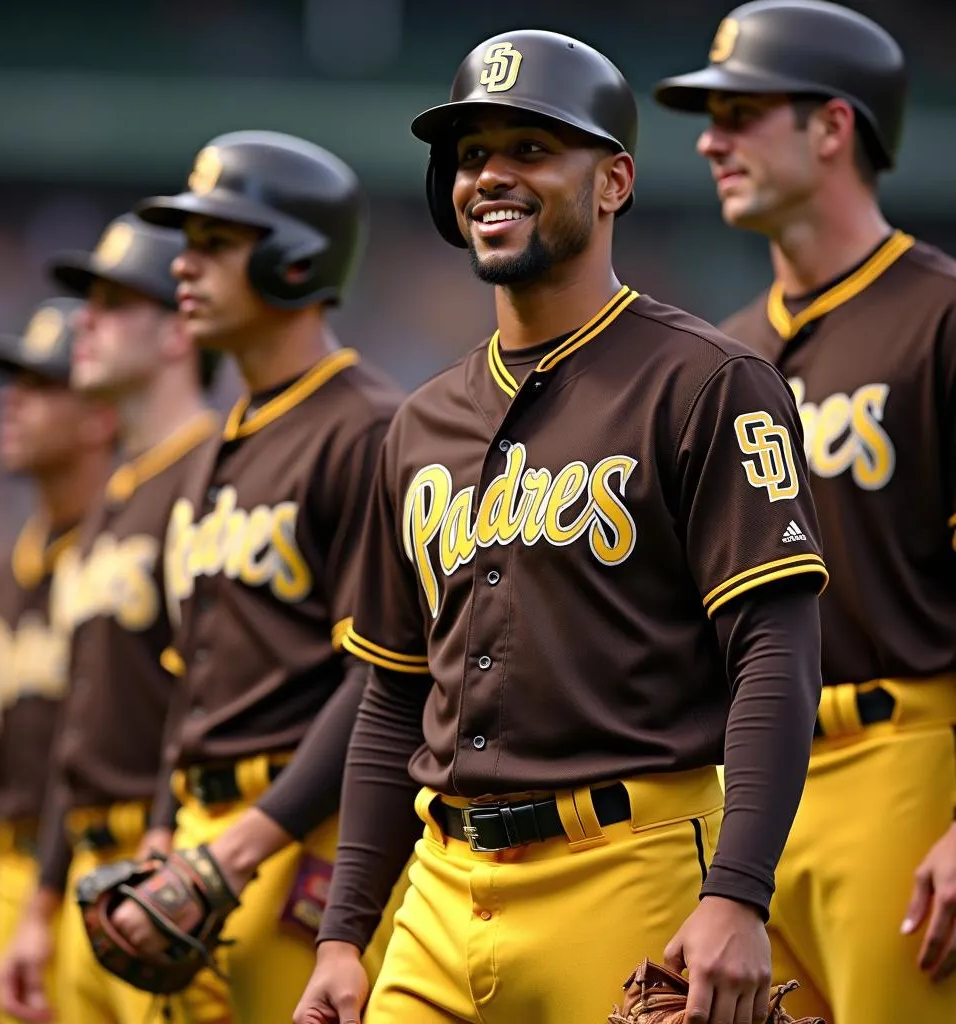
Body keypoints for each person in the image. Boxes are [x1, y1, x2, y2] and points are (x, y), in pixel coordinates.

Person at [294, 27, 828, 1024]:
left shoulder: (709, 383)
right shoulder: (418, 425)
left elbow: (773, 647)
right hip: (440, 892)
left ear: (614, 180)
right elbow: (392, 695)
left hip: (627, 871)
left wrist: (737, 893)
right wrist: (341, 932)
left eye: (531, 149)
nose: (489, 175)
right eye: (469, 156)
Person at [653, 1, 956, 1019]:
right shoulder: (721, 354)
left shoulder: (940, 316)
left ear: (832, 127)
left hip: (907, 767)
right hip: (743, 793)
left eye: (740, 113)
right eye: (709, 118)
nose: (709, 139)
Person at [93, 130, 404, 1022]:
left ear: (294, 262)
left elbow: (382, 677)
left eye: (215, 245)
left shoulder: (368, 430)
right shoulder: (215, 447)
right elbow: (190, 678)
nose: (182, 268)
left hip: (308, 837)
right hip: (200, 842)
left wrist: (243, 850)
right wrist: (165, 830)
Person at [0, 214, 226, 1024]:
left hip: (167, 866)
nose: (82, 320)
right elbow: (75, 736)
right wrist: (39, 903)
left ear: (177, 332)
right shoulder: (111, 503)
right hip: (88, 879)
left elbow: (204, 700)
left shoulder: (216, 474)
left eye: (114, 300)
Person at [0, 298, 115, 1023]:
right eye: (11, 382)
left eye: (43, 384)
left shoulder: (130, 566)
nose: (12, 402)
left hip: (103, 859)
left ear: (100, 415)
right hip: (10, 877)